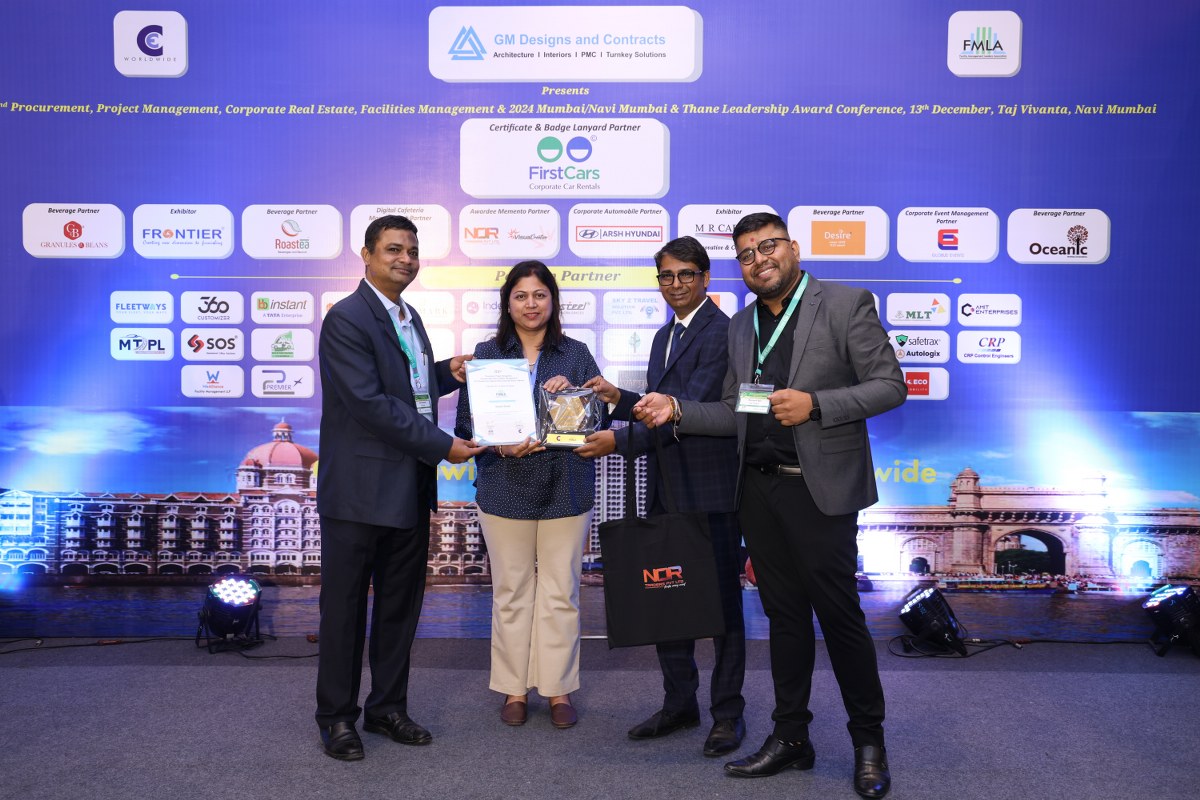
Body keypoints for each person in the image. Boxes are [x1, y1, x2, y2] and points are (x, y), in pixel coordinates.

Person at [633, 212, 905, 799]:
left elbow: (890, 385)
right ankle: (791, 737)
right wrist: (676, 410)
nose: (759, 259)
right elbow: (738, 409)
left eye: (768, 246)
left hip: (818, 489)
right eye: (747, 253)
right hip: (756, 490)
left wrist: (816, 404)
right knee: (784, 619)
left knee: (839, 619)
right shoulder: (741, 326)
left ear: (793, 248)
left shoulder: (845, 303)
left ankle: (869, 743)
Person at [315, 214, 484, 761]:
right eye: (393, 249)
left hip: (408, 487)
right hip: (359, 493)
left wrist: (448, 372)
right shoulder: (346, 318)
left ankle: (387, 708)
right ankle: (337, 717)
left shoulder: (410, 317)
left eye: (411, 251)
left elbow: (408, 388)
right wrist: (442, 446)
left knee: (398, 609)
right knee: (344, 612)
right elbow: (370, 404)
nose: (405, 259)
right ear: (366, 255)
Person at [576, 236, 747, 758]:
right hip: (666, 487)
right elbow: (659, 407)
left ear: (705, 278)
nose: (676, 284)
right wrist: (617, 399)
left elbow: (688, 410)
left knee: (722, 609)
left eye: (686, 274)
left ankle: (727, 714)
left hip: (711, 491)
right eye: (667, 276)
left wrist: (616, 440)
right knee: (669, 600)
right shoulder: (662, 336)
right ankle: (680, 703)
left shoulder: (723, 333)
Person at [455, 260, 607, 730]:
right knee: (511, 593)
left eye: (540, 295)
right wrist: (499, 444)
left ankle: (559, 689)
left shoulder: (576, 353)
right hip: (503, 484)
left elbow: (597, 421)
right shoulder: (486, 355)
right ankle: (514, 689)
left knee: (561, 593)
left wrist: (572, 396)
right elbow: (466, 424)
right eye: (520, 296)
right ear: (508, 304)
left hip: (566, 485)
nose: (531, 304)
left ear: (553, 301)